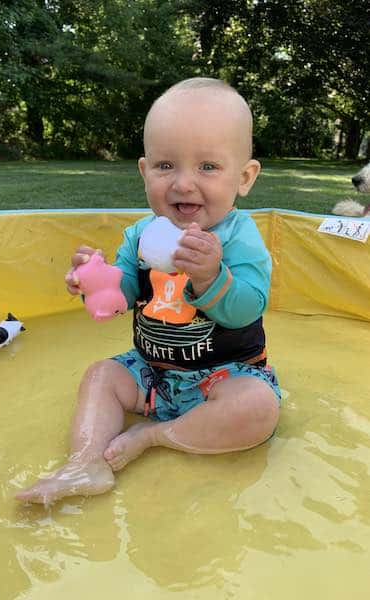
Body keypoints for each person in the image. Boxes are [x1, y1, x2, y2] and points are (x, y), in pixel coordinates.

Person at [16, 77, 281, 505]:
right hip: (152, 373)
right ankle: (85, 461)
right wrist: (95, 282)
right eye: (165, 166)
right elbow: (118, 296)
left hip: (225, 377)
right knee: (100, 375)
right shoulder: (141, 234)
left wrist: (211, 276)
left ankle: (157, 435)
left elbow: (248, 308)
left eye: (208, 167)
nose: (183, 183)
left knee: (259, 408)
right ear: (144, 172)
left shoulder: (240, 238)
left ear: (245, 177)